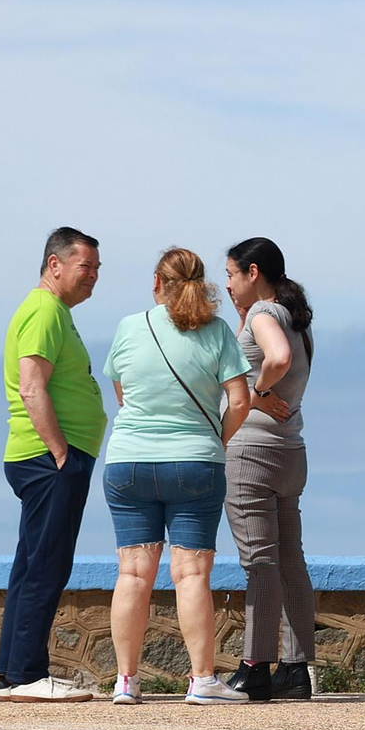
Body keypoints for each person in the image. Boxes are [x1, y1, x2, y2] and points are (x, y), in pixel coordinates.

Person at [101, 248, 252, 705]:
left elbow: (122, 392)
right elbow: (241, 401)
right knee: (190, 575)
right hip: (195, 463)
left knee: (132, 573)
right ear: (202, 283)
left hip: (127, 462)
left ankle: (126, 682)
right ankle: (202, 680)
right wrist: (215, 442)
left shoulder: (130, 327)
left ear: (155, 283)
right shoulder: (218, 331)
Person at [0, 228, 107, 702]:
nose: (94, 278)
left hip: (45, 457)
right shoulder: (44, 310)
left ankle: (14, 672)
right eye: (87, 267)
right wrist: (61, 453)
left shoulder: (53, 311)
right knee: (46, 564)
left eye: (98, 270)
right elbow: (31, 386)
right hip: (48, 459)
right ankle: (24, 676)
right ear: (55, 264)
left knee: (32, 563)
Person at [221, 237, 316, 701]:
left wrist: (255, 393)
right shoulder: (296, 318)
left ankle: (255, 666)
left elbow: (274, 359)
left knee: (259, 560)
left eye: (231, 274)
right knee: (290, 558)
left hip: (252, 452)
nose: (227, 283)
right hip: (289, 452)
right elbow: (285, 358)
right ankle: (296, 670)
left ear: (252, 272)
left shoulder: (264, 314)